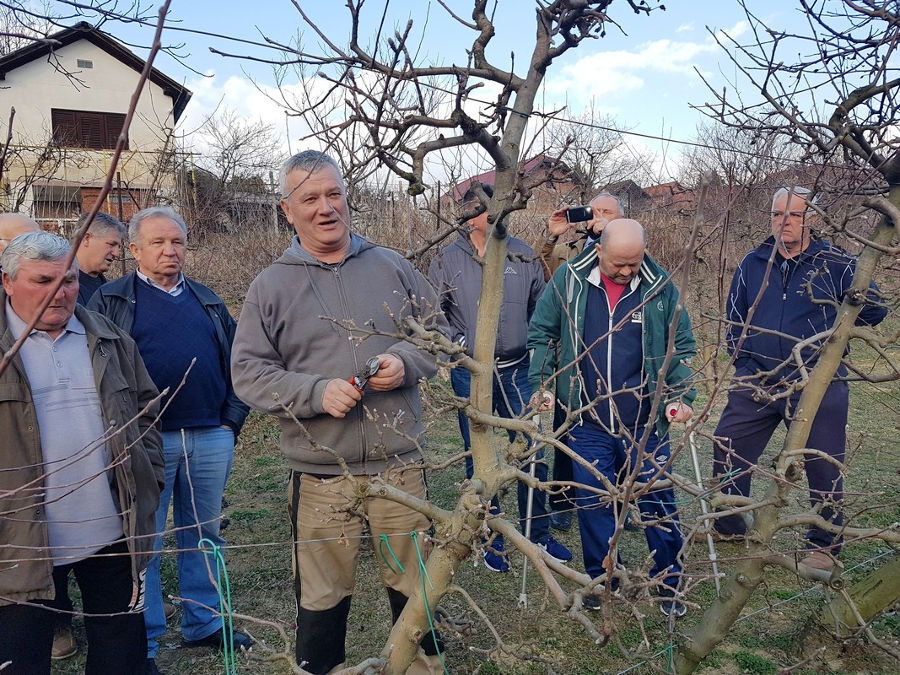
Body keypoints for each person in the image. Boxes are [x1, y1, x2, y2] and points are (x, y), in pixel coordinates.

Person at [231, 150, 447, 675]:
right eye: (310, 199)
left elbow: (440, 338)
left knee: (416, 590)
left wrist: (407, 361)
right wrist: (314, 392)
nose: (326, 208)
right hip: (321, 475)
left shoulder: (392, 265)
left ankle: (422, 671)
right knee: (322, 598)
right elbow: (248, 374)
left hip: (399, 466)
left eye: (334, 194)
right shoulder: (270, 286)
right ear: (288, 210)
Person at [88, 206, 251, 674]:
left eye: (177, 242)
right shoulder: (110, 301)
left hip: (209, 434)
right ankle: (147, 637)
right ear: (134, 249)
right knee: (147, 540)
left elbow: (240, 363)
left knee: (204, 533)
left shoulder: (208, 301)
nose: (169, 250)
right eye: (158, 242)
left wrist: (230, 421)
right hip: (145, 443)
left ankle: (204, 622)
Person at [0, 231, 164, 674]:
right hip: (19, 543)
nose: (61, 292)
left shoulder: (107, 338)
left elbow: (145, 414)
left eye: (69, 279)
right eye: (43, 280)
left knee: (120, 652)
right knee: (21, 657)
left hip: (112, 532)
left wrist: (148, 482)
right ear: (8, 282)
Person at [710, 187, 887, 570]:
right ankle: (728, 523)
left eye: (793, 215)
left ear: (813, 219)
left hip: (817, 382)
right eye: (777, 214)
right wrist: (742, 362)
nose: (784, 221)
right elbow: (734, 317)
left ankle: (824, 544)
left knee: (823, 464)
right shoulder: (753, 262)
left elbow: (876, 312)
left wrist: (858, 294)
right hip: (758, 377)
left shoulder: (837, 263)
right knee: (728, 443)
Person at [528, 218, 696, 617]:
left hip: (644, 422)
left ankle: (669, 581)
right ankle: (602, 579)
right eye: (618, 263)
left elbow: (681, 344)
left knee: (657, 503)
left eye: (633, 263)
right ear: (599, 249)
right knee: (593, 504)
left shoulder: (659, 287)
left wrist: (680, 395)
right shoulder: (568, 280)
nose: (626, 271)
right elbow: (542, 333)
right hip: (587, 420)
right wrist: (543, 383)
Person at [428, 183, 572, 572]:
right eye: (483, 211)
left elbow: (541, 310)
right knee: (479, 457)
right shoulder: (446, 260)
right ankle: (485, 535)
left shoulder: (522, 254)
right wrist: (457, 345)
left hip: (519, 370)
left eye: (498, 210)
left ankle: (536, 532)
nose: (492, 218)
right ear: (467, 216)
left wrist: (538, 353)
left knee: (531, 448)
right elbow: (433, 315)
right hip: (471, 374)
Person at [539, 193, 626, 532]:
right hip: (573, 360)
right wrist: (552, 235)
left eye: (608, 213)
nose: (597, 218)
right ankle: (562, 500)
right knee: (567, 432)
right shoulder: (570, 251)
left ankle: (620, 500)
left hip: (619, 360)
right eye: (595, 211)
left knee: (620, 434)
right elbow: (540, 272)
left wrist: (612, 237)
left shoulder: (633, 251)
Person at [73, 212, 125, 305]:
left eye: (119, 247)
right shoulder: (60, 287)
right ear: (87, 239)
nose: (116, 254)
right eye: (111, 244)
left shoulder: (111, 290)